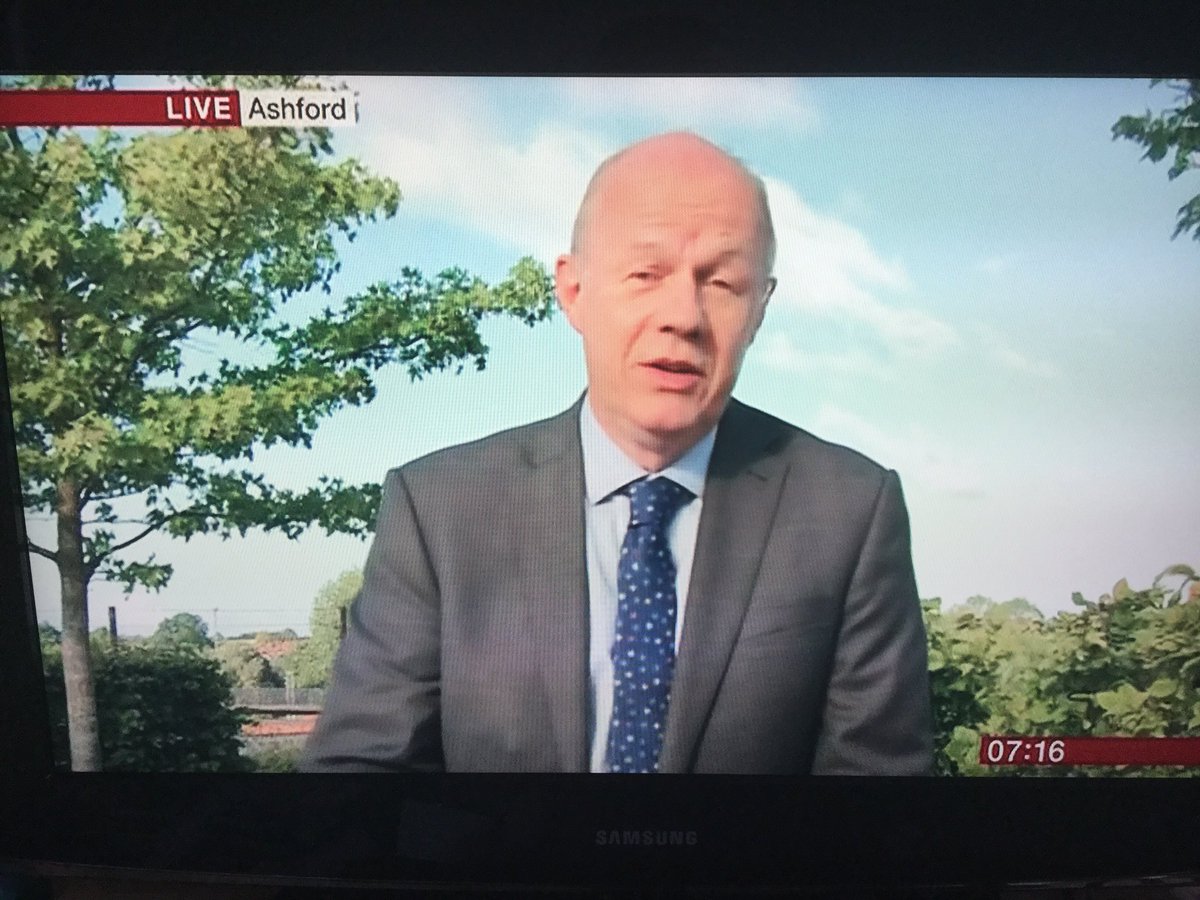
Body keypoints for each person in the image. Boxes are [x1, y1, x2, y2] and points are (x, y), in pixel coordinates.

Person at [300, 131, 933, 774]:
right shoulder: (439, 508)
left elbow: (878, 787)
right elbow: (358, 773)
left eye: (722, 282)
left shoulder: (850, 511)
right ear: (574, 291)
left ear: (760, 309)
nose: (683, 316)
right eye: (645, 274)